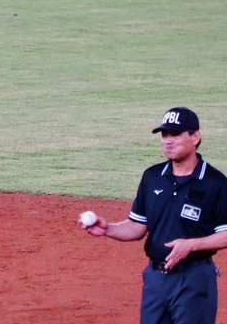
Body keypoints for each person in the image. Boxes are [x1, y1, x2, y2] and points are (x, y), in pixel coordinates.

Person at [82, 106, 227, 324]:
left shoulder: (215, 183)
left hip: (194, 279)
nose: (168, 141)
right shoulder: (152, 177)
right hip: (155, 280)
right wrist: (108, 228)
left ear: (195, 137)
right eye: (164, 135)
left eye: (175, 134)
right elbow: (137, 226)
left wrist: (192, 245)